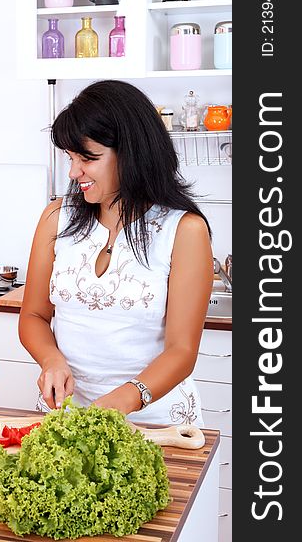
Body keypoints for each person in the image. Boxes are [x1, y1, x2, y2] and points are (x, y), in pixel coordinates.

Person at [19, 79, 214, 426]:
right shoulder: (56, 217)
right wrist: (51, 359)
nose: (74, 171)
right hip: (67, 414)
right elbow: (33, 316)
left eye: (88, 158)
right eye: (70, 157)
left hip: (155, 420)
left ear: (132, 152)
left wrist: (121, 401)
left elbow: (182, 352)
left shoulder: (184, 230)